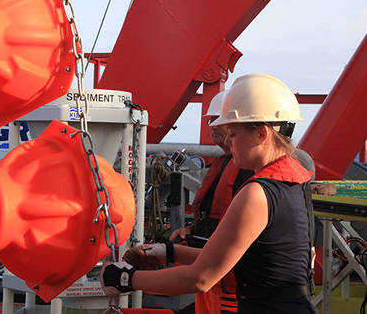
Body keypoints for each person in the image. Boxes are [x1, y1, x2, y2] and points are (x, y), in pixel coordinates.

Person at [101, 74, 317, 314]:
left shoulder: (257, 194)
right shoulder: (290, 183)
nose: (228, 142)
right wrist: (168, 252)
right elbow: (231, 256)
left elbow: (201, 278)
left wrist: (125, 279)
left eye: (233, 134)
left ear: (262, 134)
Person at [170, 90, 254, 314]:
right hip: (213, 278)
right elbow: (215, 218)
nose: (213, 126)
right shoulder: (226, 164)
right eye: (211, 120)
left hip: (233, 286)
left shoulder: (252, 172)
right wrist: (191, 229)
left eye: (220, 121)